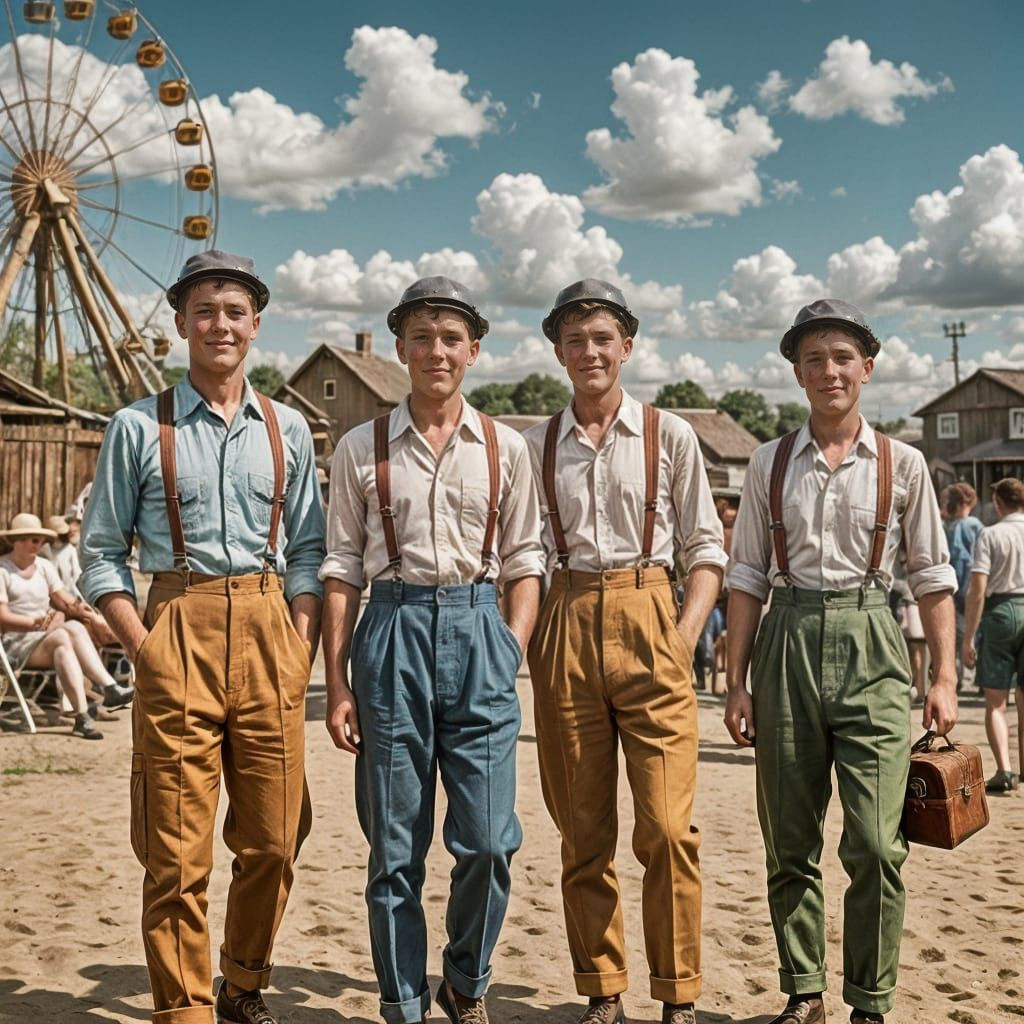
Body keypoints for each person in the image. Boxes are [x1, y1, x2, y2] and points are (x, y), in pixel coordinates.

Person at [80, 250, 326, 1024]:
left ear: (256, 325)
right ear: (182, 322)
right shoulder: (136, 426)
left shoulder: (288, 429)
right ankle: (182, 1010)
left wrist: (301, 642)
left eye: (235, 312)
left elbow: (310, 552)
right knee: (175, 854)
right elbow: (100, 554)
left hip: (269, 630)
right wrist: (145, 646)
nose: (221, 324)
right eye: (205, 311)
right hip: (176, 622)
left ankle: (243, 982)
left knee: (275, 840)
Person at [724, 299, 958, 1024]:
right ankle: (804, 992)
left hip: (873, 638)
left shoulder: (903, 463)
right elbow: (746, 577)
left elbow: (932, 576)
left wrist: (945, 676)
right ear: (798, 373)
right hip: (786, 639)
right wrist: (735, 682)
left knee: (878, 844)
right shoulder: (766, 461)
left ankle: (870, 1000)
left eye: (843, 357)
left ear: (867, 368)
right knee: (789, 839)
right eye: (815, 359)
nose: (830, 370)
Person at [320, 276, 544, 1024]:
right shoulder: (362, 446)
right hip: (391, 628)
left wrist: (509, 644)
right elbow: (341, 568)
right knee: (394, 849)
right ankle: (403, 1006)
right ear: (401, 348)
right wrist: (338, 682)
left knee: (489, 842)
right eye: (422, 337)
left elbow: (526, 559)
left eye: (452, 338)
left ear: (473, 351)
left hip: (480, 628)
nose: (437, 351)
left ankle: (464, 980)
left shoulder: (506, 447)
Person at [524, 280, 726, 1024]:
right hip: (567, 614)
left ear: (627, 347)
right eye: (574, 340)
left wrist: (682, 635)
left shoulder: (669, 435)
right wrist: (532, 639)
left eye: (602, 338)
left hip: (651, 613)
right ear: (558, 352)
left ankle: (677, 994)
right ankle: (603, 990)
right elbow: (523, 556)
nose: (589, 352)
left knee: (668, 829)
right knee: (583, 832)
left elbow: (706, 548)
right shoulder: (534, 445)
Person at [0, 513, 132, 739]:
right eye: (33, 540)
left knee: (69, 635)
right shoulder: (3, 570)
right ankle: (107, 689)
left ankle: (84, 715)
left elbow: (66, 600)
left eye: (40, 541)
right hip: (14, 643)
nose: (38, 545)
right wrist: (33, 624)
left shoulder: (44, 566)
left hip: (44, 639)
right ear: (17, 541)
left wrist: (93, 616)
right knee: (63, 635)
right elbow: (2, 617)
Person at [961, 477, 1024, 794]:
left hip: (1000, 611)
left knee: (996, 701)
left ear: (999, 503)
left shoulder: (990, 534)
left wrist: (968, 636)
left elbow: (978, 589)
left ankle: (1005, 770)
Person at [944, 483, 983, 686]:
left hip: (953, 583)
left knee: (954, 632)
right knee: (974, 629)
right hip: (971, 582)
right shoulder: (974, 525)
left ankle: (957, 673)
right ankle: (977, 674)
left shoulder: (948, 526)